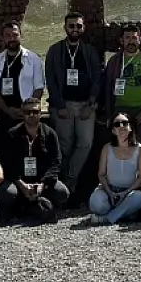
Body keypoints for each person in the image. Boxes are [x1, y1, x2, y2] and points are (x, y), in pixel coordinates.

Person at [45, 12, 103, 195]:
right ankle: (64, 188)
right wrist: (59, 105)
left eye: (78, 26)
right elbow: (51, 79)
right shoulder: (55, 51)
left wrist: (91, 102)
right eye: (71, 26)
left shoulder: (90, 51)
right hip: (64, 106)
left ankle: (70, 178)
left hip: (86, 105)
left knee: (85, 143)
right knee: (65, 145)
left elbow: (97, 78)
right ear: (65, 27)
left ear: (83, 28)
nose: (75, 29)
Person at [3, 98, 68, 222]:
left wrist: (43, 184)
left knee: (62, 193)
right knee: (8, 194)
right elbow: (7, 164)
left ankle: (34, 205)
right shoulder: (12, 134)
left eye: (35, 111)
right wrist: (21, 184)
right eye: (27, 112)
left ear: (40, 113)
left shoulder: (50, 134)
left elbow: (56, 163)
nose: (31, 115)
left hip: (41, 181)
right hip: (20, 181)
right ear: (22, 113)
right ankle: (26, 205)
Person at [0, 21, 47, 152]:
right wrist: (8, 111)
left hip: (27, 113)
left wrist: (26, 109)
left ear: (21, 35)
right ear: (2, 38)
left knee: (28, 148)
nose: (12, 38)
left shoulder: (33, 59)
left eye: (15, 35)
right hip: (4, 112)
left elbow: (39, 88)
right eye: (7, 35)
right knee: (5, 149)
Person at [104, 25, 141, 147]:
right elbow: (107, 88)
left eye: (134, 38)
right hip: (120, 109)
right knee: (121, 145)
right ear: (122, 40)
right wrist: (110, 114)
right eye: (127, 38)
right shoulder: (114, 61)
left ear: (139, 40)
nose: (131, 41)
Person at [87, 113, 141, 225]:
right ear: (113, 130)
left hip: (129, 191)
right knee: (96, 204)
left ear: (130, 127)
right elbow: (101, 174)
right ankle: (124, 213)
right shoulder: (107, 148)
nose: (121, 126)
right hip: (109, 190)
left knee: (139, 197)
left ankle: (108, 218)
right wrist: (109, 192)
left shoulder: (139, 149)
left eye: (124, 123)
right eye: (117, 124)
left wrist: (126, 192)